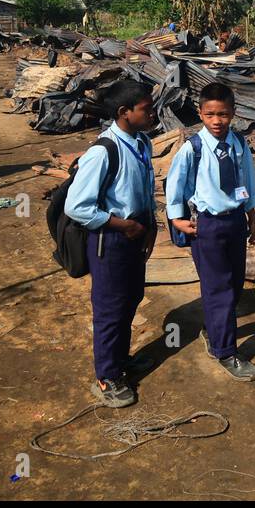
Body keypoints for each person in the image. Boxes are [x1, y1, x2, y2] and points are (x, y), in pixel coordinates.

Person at [63, 81, 159, 408]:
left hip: (136, 233)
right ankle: (106, 377)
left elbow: (146, 187)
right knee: (109, 309)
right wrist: (125, 224)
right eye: (146, 109)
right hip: (111, 240)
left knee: (131, 298)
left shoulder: (142, 142)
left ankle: (120, 360)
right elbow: (77, 206)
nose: (152, 113)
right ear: (124, 113)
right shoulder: (103, 152)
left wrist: (150, 225)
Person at [165, 83, 255, 382]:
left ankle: (214, 328)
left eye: (223, 114)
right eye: (210, 115)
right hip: (207, 225)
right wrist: (176, 218)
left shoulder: (239, 144)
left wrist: (252, 216)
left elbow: (247, 179)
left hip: (234, 221)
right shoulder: (192, 148)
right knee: (217, 287)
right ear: (201, 113)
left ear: (233, 113)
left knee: (234, 283)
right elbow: (175, 184)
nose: (217, 121)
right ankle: (225, 351)